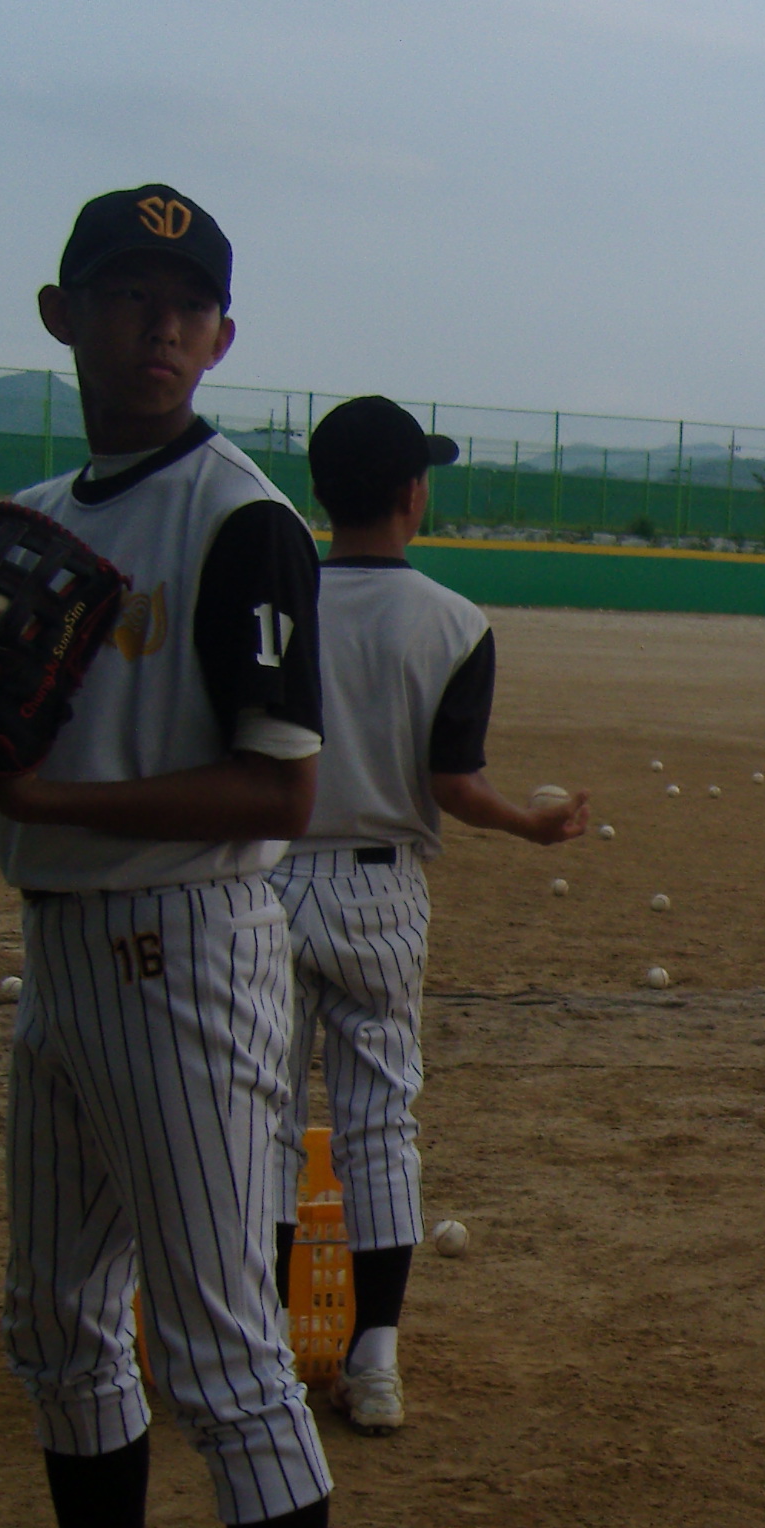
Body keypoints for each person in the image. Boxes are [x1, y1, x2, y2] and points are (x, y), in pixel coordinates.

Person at [0, 183, 357, 1528]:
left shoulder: (242, 519)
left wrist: (45, 788)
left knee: (225, 1349)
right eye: (124, 294)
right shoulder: (32, 515)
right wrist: (11, 786)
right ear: (62, 315)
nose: (158, 327)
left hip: (189, 943)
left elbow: (279, 783)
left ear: (223, 338)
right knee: (53, 1318)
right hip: (64, 948)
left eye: (188, 305)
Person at [270, 395, 588, 1435]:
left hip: (263, 880)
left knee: (260, 1125)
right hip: (379, 890)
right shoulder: (455, 620)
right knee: (378, 1128)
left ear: (320, 495)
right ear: (413, 494)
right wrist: (527, 826)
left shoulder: (274, 605)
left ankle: (264, 1355)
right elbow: (454, 784)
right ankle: (374, 1364)